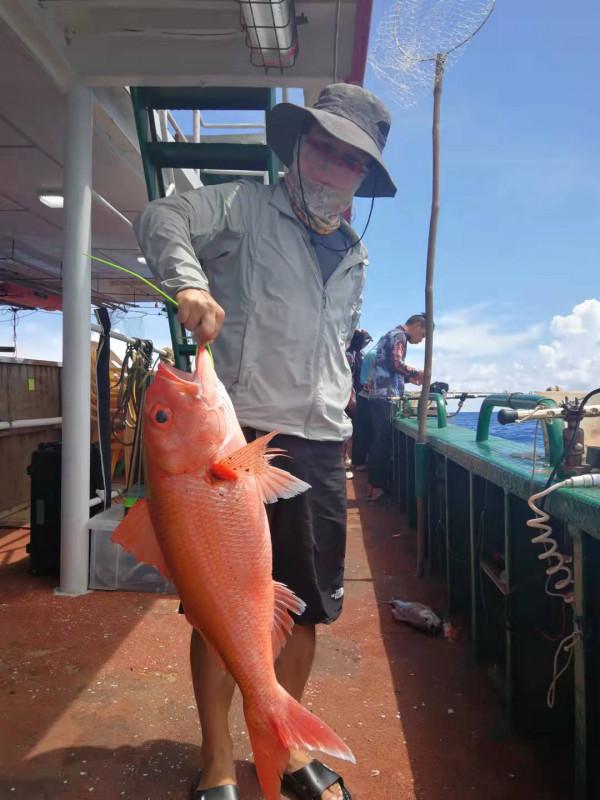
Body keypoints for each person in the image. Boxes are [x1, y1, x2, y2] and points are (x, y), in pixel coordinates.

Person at [134, 83, 396, 800]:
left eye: (350, 161)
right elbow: (162, 214)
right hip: (238, 432)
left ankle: (280, 741)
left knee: (304, 607)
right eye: (323, 148)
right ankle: (218, 757)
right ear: (297, 147)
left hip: (318, 442)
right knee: (225, 606)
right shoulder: (243, 205)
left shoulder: (356, 252)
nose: (332, 167)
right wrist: (188, 283)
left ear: (363, 178)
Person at [363, 315, 427, 502]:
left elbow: (388, 367)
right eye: (422, 335)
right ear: (416, 325)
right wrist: (418, 373)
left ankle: (374, 486)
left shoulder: (390, 334)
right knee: (382, 442)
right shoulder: (400, 336)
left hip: (377, 394)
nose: (421, 340)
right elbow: (396, 363)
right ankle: (377, 488)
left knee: (378, 441)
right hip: (385, 396)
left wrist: (409, 378)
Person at [344, 329, 372, 474]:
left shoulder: (359, 355)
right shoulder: (349, 355)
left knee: (356, 429)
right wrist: (349, 397)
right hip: (348, 396)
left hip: (358, 396)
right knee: (346, 428)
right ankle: (345, 459)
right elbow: (346, 378)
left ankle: (353, 460)